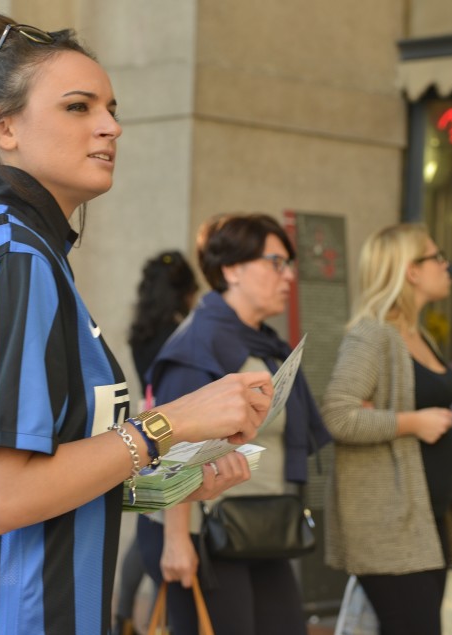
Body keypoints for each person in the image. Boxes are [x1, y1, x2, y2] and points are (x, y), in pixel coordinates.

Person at [0, 13, 270, 635]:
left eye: (111, 107)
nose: (110, 126)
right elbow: (4, 498)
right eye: (78, 107)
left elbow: (52, 469)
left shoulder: (31, 253)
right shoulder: (14, 257)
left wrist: (171, 482)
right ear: (5, 128)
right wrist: (172, 420)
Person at [138, 213, 331, 635]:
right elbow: (170, 447)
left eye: (289, 264)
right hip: (205, 532)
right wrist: (177, 540)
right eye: (276, 262)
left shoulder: (262, 341)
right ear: (232, 269)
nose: (289, 276)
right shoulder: (198, 343)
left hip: (260, 524)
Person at [321, 223, 452, 635]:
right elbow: (337, 414)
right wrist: (411, 423)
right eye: (436, 257)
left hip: (428, 519)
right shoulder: (373, 335)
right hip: (389, 524)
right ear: (410, 270)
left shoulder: (416, 332)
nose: (446, 265)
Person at [113, 250, 199, 635]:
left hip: (146, 429)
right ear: (186, 291)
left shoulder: (143, 330)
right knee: (160, 526)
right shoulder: (184, 335)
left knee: (149, 524)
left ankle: (122, 614)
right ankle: (130, 616)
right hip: (174, 432)